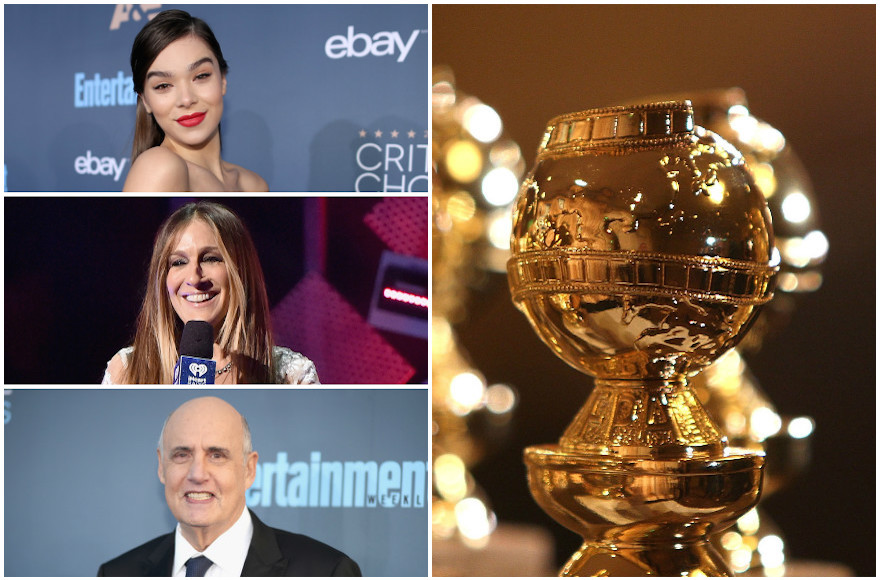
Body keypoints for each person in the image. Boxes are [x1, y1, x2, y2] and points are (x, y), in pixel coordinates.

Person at [98, 397, 361, 576]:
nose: (197, 474)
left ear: (249, 469)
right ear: (161, 465)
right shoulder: (118, 573)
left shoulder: (327, 572)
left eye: (216, 455)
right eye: (182, 454)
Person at [102, 201, 317, 384]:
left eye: (211, 258)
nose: (194, 278)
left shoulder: (290, 377)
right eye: (178, 262)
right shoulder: (127, 371)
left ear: (240, 271)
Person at [122, 9, 268, 192]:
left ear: (222, 79)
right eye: (163, 86)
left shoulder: (254, 186)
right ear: (146, 101)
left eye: (201, 76)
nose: (186, 99)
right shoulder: (159, 167)